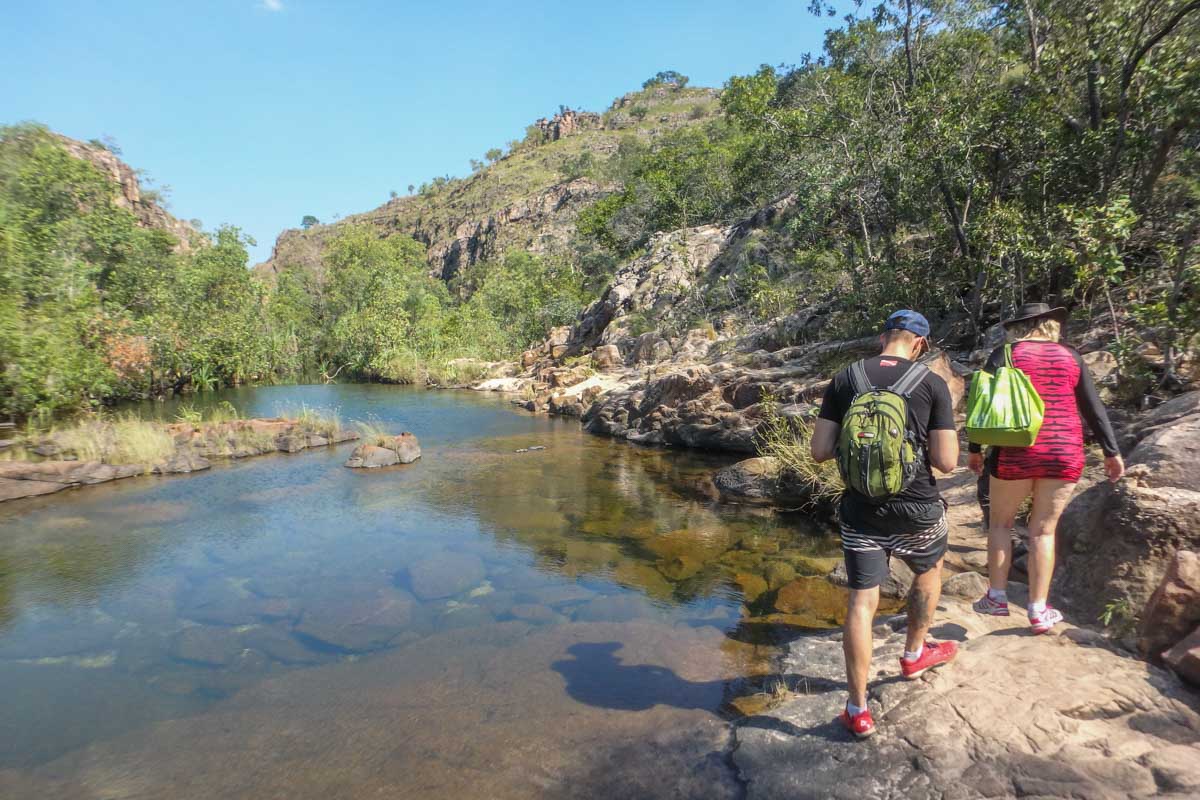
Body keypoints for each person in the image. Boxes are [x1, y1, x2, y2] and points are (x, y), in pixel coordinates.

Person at [811, 310, 960, 739]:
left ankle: (857, 709)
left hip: (861, 510)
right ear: (920, 344)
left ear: (883, 338)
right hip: (917, 509)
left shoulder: (846, 379)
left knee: (862, 601)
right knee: (929, 572)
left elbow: (819, 451)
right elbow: (946, 462)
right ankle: (914, 655)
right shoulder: (931, 383)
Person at [969, 303, 1124, 634]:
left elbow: (982, 403)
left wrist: (974, 449)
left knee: (1000, 524)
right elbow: (1093, 408)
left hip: (1016, 448)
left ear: (1019, 327)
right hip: (1064, 450)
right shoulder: (1071, 356)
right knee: (1043, 530)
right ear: (1051, 326)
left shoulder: (1005, 354)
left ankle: (996, 597)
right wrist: (1111, 452)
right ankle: (1038, 610)